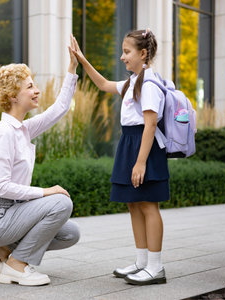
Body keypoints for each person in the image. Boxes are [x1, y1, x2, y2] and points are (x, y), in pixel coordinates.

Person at [0, 35, 80, 286]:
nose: (37, 90)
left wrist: (72, 69)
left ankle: (1, 250)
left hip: (10, 213)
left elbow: (59, 109)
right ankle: (16, 265)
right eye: (30, 86)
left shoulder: (23, 129)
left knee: (70, 233)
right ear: (12, 96)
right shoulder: (3, 133)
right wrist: (45, 192)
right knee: (60, 204)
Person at [71, 29, 168, 285]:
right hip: (131, 142)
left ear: (143, 53)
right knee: (134, 204)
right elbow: (103, 84)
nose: (122, 57)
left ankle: (156, 267)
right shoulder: (134, 81)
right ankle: (142, 262)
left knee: (148, 205)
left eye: (127, 52)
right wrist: (82, 59)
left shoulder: (148, 83)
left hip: (143, 146)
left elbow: (150, 124)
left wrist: (141, 161)